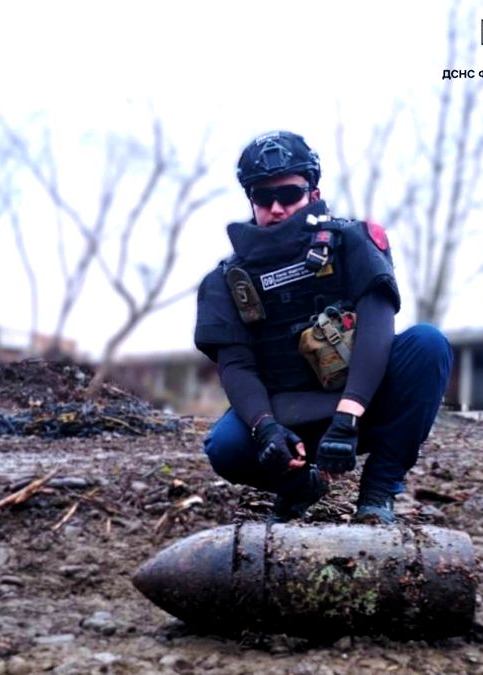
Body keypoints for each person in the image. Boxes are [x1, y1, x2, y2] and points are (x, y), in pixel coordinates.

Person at [194, 130, 452, 525]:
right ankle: (300, 488)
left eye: (290, 194)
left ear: (312, 193)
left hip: (362, 405)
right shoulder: (224, 281)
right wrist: (266, 429)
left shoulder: (353, 242)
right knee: (225, 446)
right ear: (251, 200)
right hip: (287, 415)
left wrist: (348, 416)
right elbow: (237, 366)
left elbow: (378, 326)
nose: (277, 207)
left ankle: (378, 492)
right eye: (263, 197)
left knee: (428, 344)